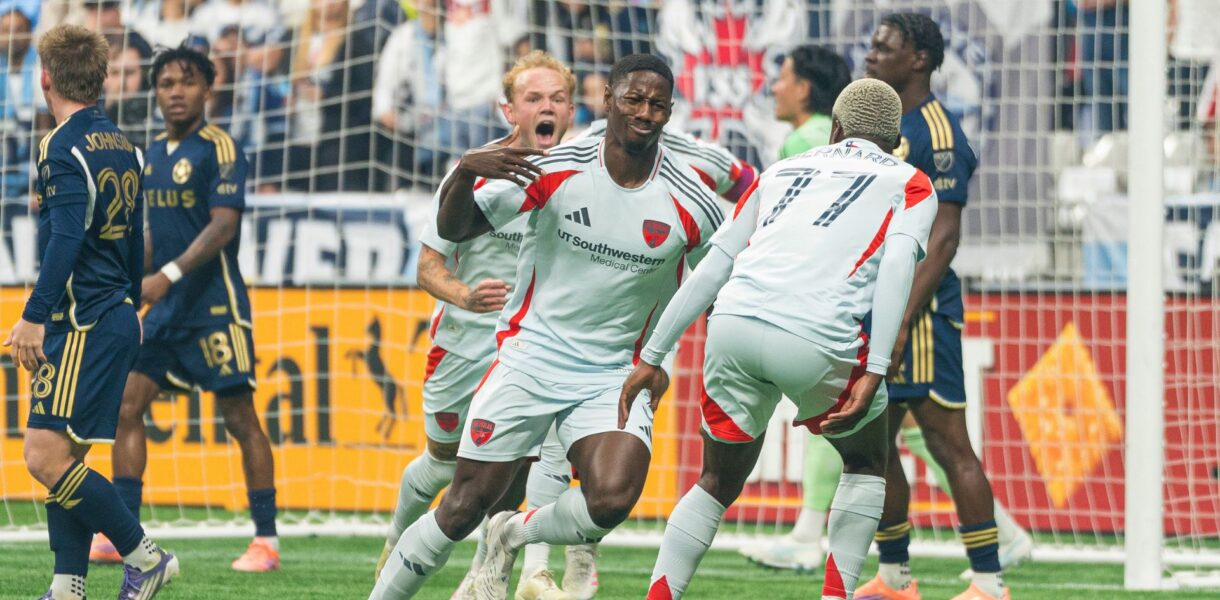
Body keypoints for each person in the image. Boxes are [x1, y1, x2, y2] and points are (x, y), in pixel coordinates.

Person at [370, 54, 724, 599]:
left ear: (670, 113)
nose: (645, 113)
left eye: (657, 105)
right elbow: (458, 227)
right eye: (633, 99)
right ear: (607, 99)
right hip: (528, 359)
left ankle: (515, 533)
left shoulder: (693, 200)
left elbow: (721, 285)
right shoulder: (555, 166)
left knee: (610, 500)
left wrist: (660, 358)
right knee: (462, 505)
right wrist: (465, 173)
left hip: (612, 375)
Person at [625, 77, 936, 600]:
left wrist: (653, 355)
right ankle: (836, 594)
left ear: (835, 129)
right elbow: (899, 265)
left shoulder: (779, 171)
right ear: (895, 138)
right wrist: (877, 367)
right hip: (818, 334)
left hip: (734, 324)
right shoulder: (911, 181)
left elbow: (715, 263)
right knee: (866, 460)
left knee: (716, 481)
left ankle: (660, 596)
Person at [372, 49, 590, 600]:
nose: (547, 107)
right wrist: (464, 295)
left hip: (538, 348)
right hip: (465, 344)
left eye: (557, 98)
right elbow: (428, 267)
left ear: (572, 109)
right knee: (445, 465)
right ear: (508, 110)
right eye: (534, 98)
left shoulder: (588, 172)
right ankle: (398, 537)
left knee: (528, 460)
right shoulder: (475, 171)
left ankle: (504, 574)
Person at [853, 13, 1025, 600]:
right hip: (877, 302)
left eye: (885, 47)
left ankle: (988, 582)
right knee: (873, 445)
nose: (871, 54)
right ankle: (896, 577)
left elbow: (945, 238)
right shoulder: (876, 123)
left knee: (949, 442)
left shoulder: (938, 133)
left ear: (918, 59)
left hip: (919, 312)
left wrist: (900, 320)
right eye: (872, 44)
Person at [91, 45, 281, 573]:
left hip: (216, 307)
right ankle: (123, 535)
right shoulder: (150, 153)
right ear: (155, 92)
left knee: (240, 417)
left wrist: (166, 276)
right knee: (127, 405)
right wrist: (131, 284)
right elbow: (154, 234)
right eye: (167, 82)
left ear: (207, 90)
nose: (176, 91)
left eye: (188, 82)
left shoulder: (220, 148)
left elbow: (223, 226)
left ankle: (265, 541)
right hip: (166, 310)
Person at [4, 24, 177, 600]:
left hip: (82, 321)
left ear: (46, 78)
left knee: (43, 456)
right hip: (114, 313)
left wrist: (33, 314)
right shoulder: (124, 145)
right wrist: (130, 300)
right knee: (68, 456)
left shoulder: (60, 146)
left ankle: (145, 557)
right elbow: (134, 241)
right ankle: (67, 584)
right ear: (100, 80)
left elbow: (66, 240)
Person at [736, 42, 852, 573]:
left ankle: (809, 533)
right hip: (852, 292)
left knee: (826, 410)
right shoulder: (845, 138)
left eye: (781, 78)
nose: (773, 87)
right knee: (910, 427)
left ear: (804, 87)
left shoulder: (804, 141)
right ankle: (1002, 533)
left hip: (819, 297)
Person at [771, 44, 851, 161]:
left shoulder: (800, 142)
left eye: (782, 78)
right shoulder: (841, 133)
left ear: (802, 89)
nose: (774, 88)